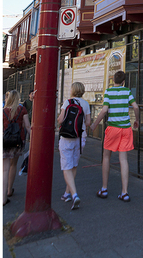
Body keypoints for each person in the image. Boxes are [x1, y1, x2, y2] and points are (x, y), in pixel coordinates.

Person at [90, 70, 140, 202]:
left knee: (106, 157)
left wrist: (95, 124)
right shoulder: (127, 91)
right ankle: (124, 192)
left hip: (112, 128)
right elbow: (136, 107)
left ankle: (104, 189)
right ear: (123, 81)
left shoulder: (108, 92)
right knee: (123, 159)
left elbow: (104, 110)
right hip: (125, 128)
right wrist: (137, 120)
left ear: (113, 80)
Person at [57, 82, 91, 210]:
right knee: (74, 165)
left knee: (66, 167)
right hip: (80, 137)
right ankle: (67, 193)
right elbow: (87, 122)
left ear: (72, 90)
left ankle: (74, 194)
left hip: (66, 137)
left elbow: (60, 120)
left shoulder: (67, 102)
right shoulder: (86, 104)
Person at [2, 89, 30, 205]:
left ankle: (3, 198)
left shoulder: (3, 111)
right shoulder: (22, 109)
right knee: (13, 165)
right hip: (18, 141)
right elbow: (27, 126)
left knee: (4, 169)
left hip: (5, 141)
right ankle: (9, 190)